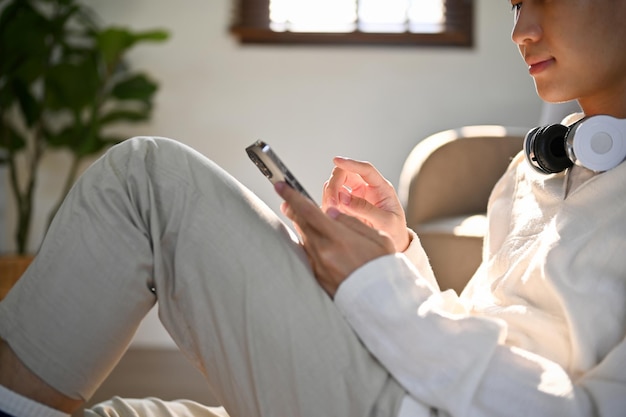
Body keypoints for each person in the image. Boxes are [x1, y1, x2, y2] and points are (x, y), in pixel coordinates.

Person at [1, 0, 626, 416]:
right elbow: (481, 330)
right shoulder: (536, 169)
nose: (521, 31)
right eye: (516, 4)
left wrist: (375, 288)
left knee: (146, 179)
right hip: (417, 391)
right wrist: (395, 253)